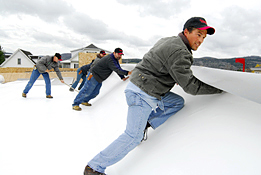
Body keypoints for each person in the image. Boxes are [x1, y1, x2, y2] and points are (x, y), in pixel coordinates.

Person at [84, 17, 223, 175]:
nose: (201, 40)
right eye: (198, 34)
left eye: (203, 37)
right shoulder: (180, 52)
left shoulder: (169, 40)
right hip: (142, 93)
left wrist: (173, 75)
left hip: (143, 85)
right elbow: (191, 86)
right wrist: (219, 88)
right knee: (133, 136)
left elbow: (158, 63)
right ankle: (94, 167)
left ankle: (146, 122)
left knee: (176, 102)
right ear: (187, 31)